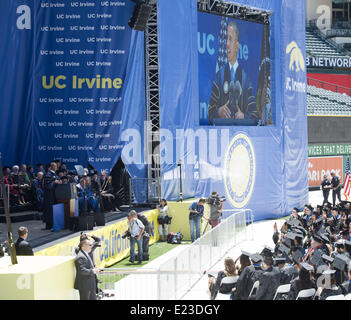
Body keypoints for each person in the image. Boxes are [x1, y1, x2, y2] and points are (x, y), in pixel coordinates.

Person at [208, 20, 257, 124]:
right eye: (225, 39)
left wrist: (243, 116)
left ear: (237, 45)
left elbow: (254, 117)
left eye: (230, 39)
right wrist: (218, 112)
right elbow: (210, 114)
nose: (226, 44)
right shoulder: (219, 77)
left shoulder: (245, 80)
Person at [42, 162, 61, 230]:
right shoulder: (48, 175)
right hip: (49, 197)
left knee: (52, 211)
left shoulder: (54, 174)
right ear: (51, 167)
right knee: (49, 211)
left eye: (56, 166)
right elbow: (48, 186)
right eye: (55, 166)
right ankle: (49, 226)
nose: (56, 167)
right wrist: (55, 182)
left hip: (54, 196)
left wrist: (59, 182)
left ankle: (52, 225)